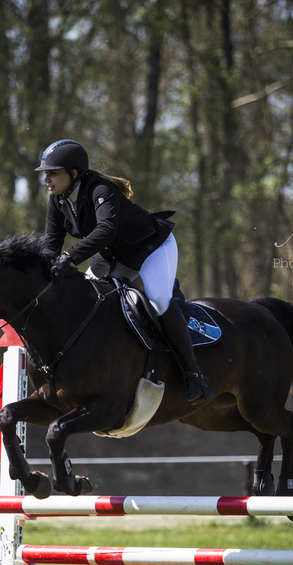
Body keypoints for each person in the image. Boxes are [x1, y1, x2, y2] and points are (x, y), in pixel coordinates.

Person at [35, 139, 212, 404]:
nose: (47, 179)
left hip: (151, 248)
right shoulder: (57, 200)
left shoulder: (100, 189)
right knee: (87, 302)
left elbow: (106, 230)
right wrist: (43, 273)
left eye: (53, 173)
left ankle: (193, 374)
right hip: (113, 256)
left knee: (158, 301)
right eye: (46, 174)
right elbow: (51, 244)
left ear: (74, 173)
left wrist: (70, 256)